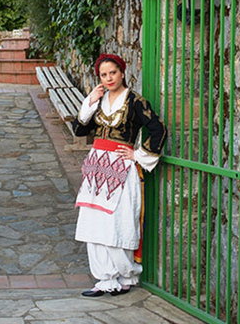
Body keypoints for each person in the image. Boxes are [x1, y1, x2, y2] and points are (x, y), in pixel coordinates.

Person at [72, 53, 167, 297]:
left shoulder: (135, 101)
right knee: (94, 223)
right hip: (96, 168)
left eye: (112, 72)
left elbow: (158, 129)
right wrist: (90, 101)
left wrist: (138, 155)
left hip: (122, 167)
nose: (108, 78)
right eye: (103, 75)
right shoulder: (99, 100)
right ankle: (104, 279)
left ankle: (126, 275)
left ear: (122, 72)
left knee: (118, 222)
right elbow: (79, 129)